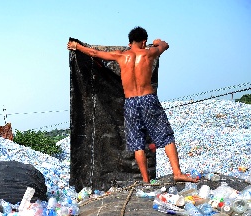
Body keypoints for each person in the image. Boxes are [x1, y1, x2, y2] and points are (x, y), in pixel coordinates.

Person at [67, 26, 198, 183]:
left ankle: (145, 180)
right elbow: (165, 45)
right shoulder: (150, 53)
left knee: (137, 143)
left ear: (130, 43)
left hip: (131, 102)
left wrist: (77, 46)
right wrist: (157, 42)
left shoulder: (121, 56)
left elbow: (94, 53)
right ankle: (177, 173)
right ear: (144, 42)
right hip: (148, 99)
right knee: (166, 136)